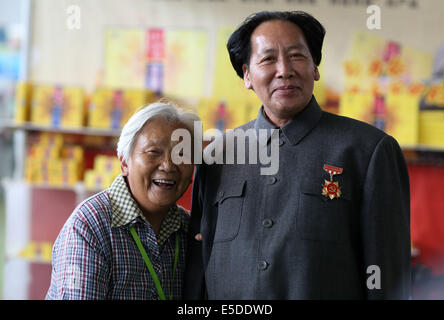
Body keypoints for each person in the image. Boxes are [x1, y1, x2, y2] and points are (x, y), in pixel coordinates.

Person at [184, 11, 411, 299]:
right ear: (247, 75)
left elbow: (388, 273)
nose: (284, 70)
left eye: (297, 56)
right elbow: (199, 264)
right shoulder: (217, 155)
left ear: (315, 68)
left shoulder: (368, 151)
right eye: (268, 59)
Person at [46, 101, 200, 299]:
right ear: (124, 162)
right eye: (154, 152)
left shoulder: (189, 230)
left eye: (182, 154)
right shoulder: (90, 226)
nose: (168, 165)